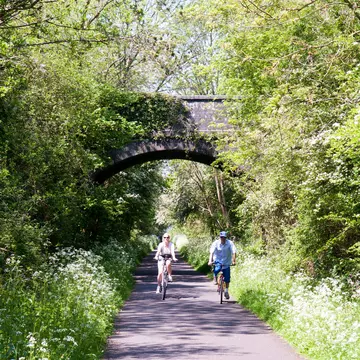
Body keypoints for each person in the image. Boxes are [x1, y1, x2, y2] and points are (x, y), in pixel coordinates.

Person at [208, 231, 236, 299]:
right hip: (218, 261)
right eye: (221, 237)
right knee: (216, 270)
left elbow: (234, 252)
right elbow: (211, 252)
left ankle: (226, 291)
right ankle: (215, 277)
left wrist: (234, 261)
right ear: (220, 237)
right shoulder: (215, 243)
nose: (223, 238)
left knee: (227, 278)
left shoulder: (230, 243)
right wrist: (210, 261)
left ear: (226, 238)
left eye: (224, 237)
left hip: (226, 262)